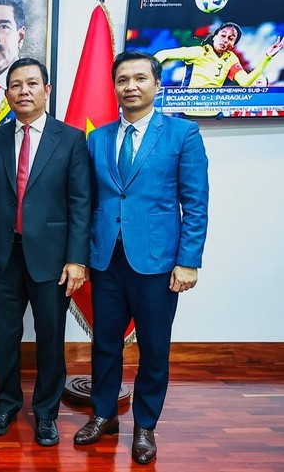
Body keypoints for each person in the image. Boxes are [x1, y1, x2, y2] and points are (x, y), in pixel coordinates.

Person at [74, 51, 209, 465]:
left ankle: (146, 425)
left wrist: (189, 260)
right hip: (106, 260)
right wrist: (81, 254)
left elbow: (195, 202)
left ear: (156, 84)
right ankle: (103, 415)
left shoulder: (182, 134)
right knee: (105, 345)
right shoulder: (97, 138)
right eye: (122, 80)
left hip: (157, 262)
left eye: (139, 78)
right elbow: (88, 202)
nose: (130, 86)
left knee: (153, 348)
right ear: (114, 87)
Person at [0, 58, 90, 445]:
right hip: (0, 256)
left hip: (52, 259)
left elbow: (80, 203)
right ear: (7, 93)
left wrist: (77, 258)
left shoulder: (70, 139)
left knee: (51, 338)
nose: (23, 91)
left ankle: (46, 413)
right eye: (16, 85)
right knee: (4, 336)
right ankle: (5, 404)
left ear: (46, 90)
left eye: (32, 83)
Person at [154, 22, 283, 88]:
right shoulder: (199, 52)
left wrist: (267, 57)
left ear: (233, 44)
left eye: (231, 38)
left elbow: (245, 82)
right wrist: (149, 71)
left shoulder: (231, 59)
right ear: (214, 36)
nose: (225, 40)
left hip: (214, 111)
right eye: (223, 35)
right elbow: (164, 54)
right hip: (188, 108)